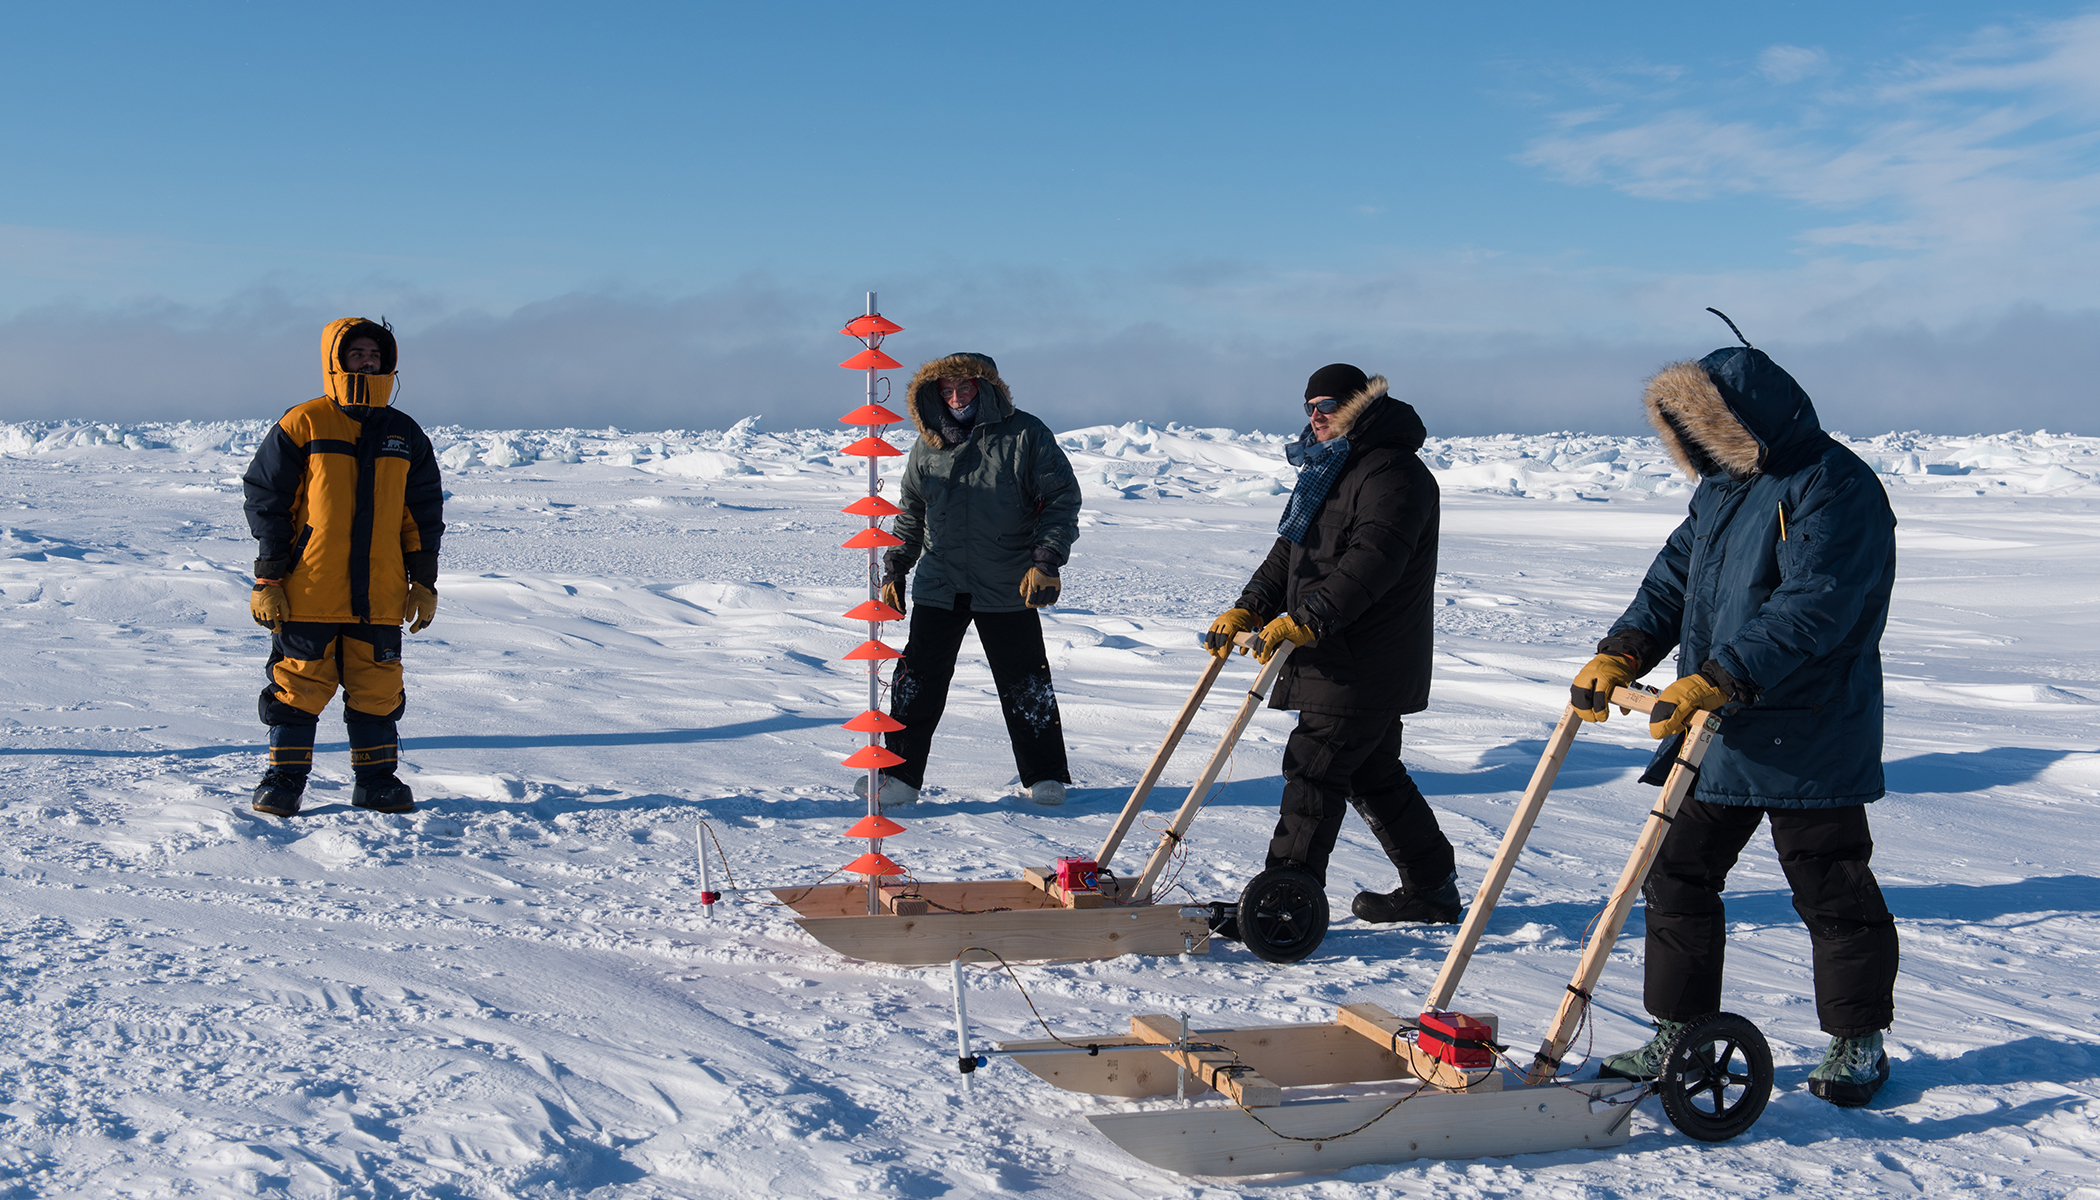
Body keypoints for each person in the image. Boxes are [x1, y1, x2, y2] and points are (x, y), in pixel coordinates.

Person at [1573, 340, 1899, 1107]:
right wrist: (1620, 652)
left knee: (1830, 887)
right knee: (1677, 873)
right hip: (1719, 723)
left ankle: (1859, 1041)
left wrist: (1718, 677)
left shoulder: (1834, 484)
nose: (1698, 441)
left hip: (1808, 727)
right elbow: (1673, 578)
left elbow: (1816, 605)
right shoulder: (1723, 488)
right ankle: (1678, 1030)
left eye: (1707, 422)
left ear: (1745, 415)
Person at [1205, 363, 1460, 925]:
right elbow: (1290, 554)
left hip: (1365, 658)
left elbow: (1373, 561)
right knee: (1372, 773)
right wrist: (1250, 606)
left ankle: (1285, 905)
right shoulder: (1330, 469)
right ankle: (1432, 886)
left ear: (1358, 406)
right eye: (1309, 407)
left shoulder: (1394, 473)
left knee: (1314, 769)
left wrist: (1310, 619)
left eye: (1328, 405)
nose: (1316, 417)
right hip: (1337, 652)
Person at [242, 318, 445, 817]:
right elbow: (269, 501)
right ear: (336, 359)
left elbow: (421, 515)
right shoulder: (305, 422)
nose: (367, 361)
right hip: (310, 587)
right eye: (356, 353)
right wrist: (269, 576)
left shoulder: (404, 434)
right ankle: (284, 781)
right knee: (299, 683)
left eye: (374, 353)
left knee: (377, 687)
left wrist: (423, 581)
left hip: (379, 592)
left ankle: (376, 781)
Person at [866, 352, 1082, 807]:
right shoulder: (927, 444)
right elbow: (911, 511)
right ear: (934, 395)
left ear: (985, 388)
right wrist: (896, 568)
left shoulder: (1025, 433)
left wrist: (1046, 561)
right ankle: (898, 776)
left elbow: (1061, 497)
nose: (957, 397)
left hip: (1007, 581)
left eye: (964, 387)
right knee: (916, 680)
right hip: (940, 581)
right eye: (946, 390)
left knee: (1025, 681)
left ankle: (1045, 775)